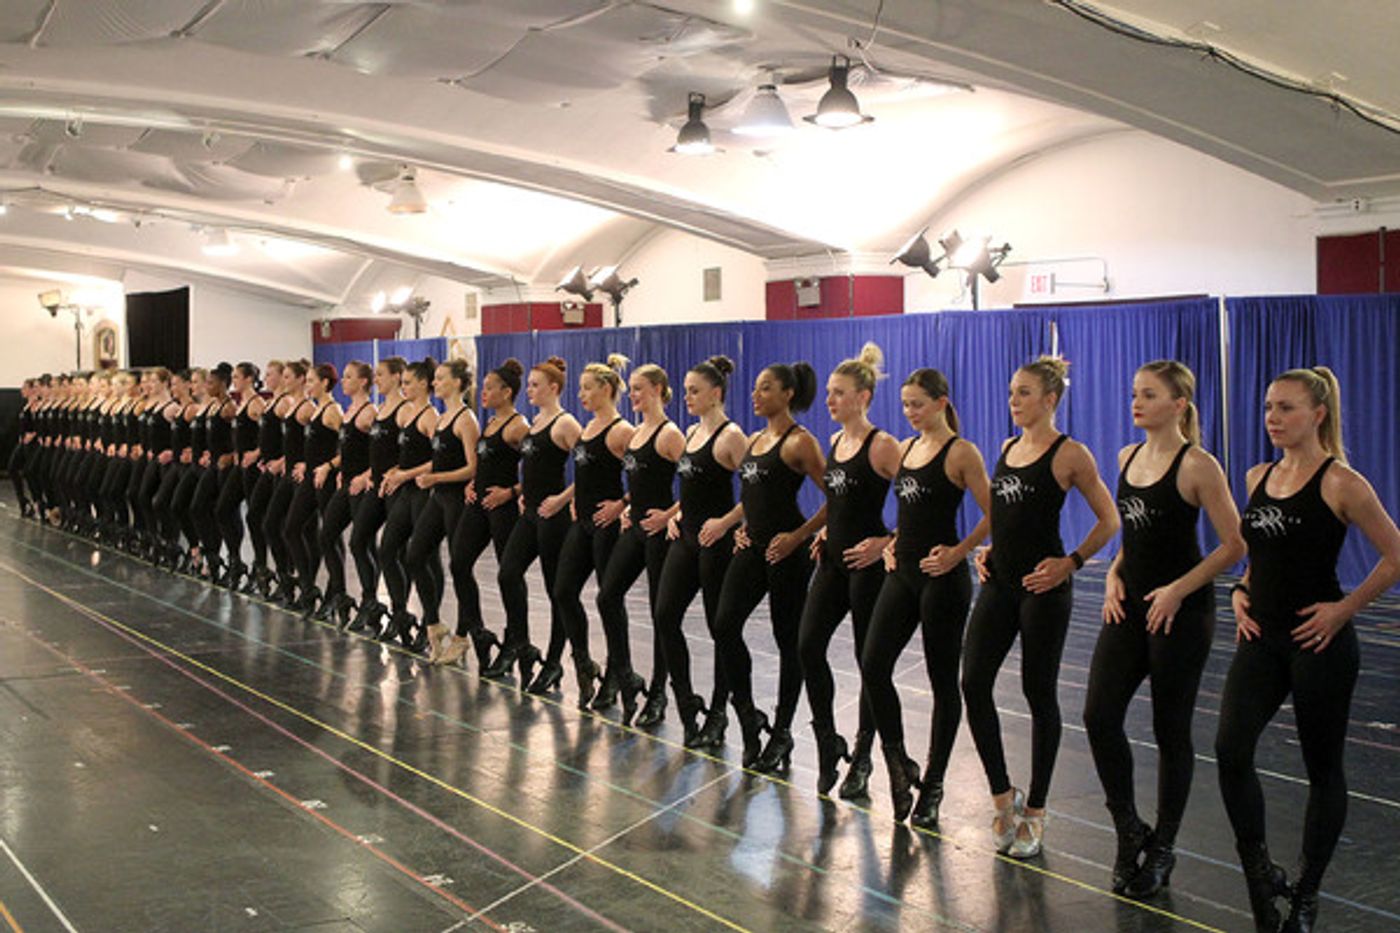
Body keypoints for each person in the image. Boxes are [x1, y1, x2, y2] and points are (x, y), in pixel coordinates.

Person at [1217, 367, 1400, 933]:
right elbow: (1260, 557)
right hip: (1261, 639)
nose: (1272, 417)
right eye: (1269, 407)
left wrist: (1344, 610)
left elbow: (1395, 555)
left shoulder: (1342, 483)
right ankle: (1259, 873)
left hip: (1318, 642)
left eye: (1286, 408)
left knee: (1323, 770)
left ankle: (1306, 893)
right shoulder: (1256, 476)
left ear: (1317, 415)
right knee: (1230, 750)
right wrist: (1241, 591)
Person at [1086, 361, 1244, 895]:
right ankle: (1129, 830)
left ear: (1178, 404)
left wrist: (1178, 589)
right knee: (1099, 715)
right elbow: (1135, 534)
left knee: (1169, 731)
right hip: (1129, 606)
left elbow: (1234, 545)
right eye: (1134, 393)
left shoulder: (1198, 465)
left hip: (1181, 612)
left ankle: (1164, 848)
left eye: (1148, 395)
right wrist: (1112, 572)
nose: (1136, 403)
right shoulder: (1127, 457)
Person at [961, 356, 1119, 858]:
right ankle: (1003, 795)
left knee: (1038, 691)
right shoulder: (1008, 448)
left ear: (1049, 400)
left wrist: (1070, 562)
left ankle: (1037, 810)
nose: (1014, 401)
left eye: (1024, 393)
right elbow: (1005, 516)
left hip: (1043, 589)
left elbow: (1109, 519)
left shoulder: (1070, 454)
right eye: (1012, 392)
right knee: (973, 682)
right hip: (1000, 582)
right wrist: (988, 551)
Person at [860, 368, 990, 824]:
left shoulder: (962, 452)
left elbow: (995, 514)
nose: (910, 412)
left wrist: (959, 552)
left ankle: (933, 782)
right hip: (903, 573)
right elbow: (909, 511)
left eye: (917, 403)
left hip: (942, 579)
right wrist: (893, 541)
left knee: (941, 681)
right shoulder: (908, 448)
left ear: (940, 402)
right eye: (905, 404)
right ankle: (898, 761)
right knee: (873, 664)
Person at [799, 344, 901, 797]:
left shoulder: (883, 446)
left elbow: (923, 499)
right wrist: (821, 529)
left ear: (862, 396)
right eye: (827, 393)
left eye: (838, 393)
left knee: (868, 664)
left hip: (867, 567)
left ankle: (863, 756)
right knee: (807, 646)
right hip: (833, 560)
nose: (829, 401)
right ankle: (827, 740)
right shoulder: (837, 441)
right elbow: (837, 500)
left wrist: (888, 542)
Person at [713, 361, 826, 770]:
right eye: (756, 389)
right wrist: (742, 527)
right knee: (724, 624)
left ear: (787, 394)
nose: (756, 395)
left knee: (787, 641)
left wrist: (798, 537)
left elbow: (837, 496)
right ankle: (746, 715)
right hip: (752, 546)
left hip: (787, 553)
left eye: (765, 389)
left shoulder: (800, 443)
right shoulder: (756, 438)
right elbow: (753, 496)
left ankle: (781, 732)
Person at [652, 356, 745, 747]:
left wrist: (726, 523)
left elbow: (757, 492)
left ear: (716, 394)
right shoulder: (690, 432)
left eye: (694, 391)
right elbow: (689, 489)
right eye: (686, 390)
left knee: (718, 628)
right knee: (664, 615)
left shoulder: (731, 436)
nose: (687, 397)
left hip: (715, 543)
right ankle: (687, 701)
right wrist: (676, 515)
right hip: (686, 537)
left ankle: (720, 711)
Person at [594, 363, 684, 723]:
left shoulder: (670, 433)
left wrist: (670, 515)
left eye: (639, 389)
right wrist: (627, 505)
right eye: (630, 389)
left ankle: (660, 692)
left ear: (658, 390)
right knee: (607, 595)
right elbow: (639, 483)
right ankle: (625, 673)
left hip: (659, 533)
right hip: (636, 529)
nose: (632, 395)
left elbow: (696, 481)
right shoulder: (635, 433)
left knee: (660, 614)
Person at [488, 357, 580, 685]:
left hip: (552, 517)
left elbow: (589, 470)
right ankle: (521, 644)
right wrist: (521, 490)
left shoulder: (566, 424)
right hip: (529, 515)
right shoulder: (535, 422)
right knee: (508, 573)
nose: (529, 390)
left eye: (535, 385)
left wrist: (563, 499)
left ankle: (554, 660)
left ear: (553, 388)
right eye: (528, 385)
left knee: (557, 591)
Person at [549, 355, 634, 706]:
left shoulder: (622, 431)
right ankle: (584, 661)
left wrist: (623, 504)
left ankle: (617, 672)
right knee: (563, 591)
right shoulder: (587, 428)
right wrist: (570, 498)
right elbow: (583, 476)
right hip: (581, 522)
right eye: (580, 388)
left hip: (606, 525)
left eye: (587, 388)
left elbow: (647, 473)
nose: (581, 394)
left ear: (607, 389)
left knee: (609, 601)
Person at [440, 358, 527, 668]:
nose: (484, 392)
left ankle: (517, 639)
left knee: (509, 577)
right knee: (459, 563)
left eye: (490, 388)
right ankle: (478, 631)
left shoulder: (519, 426)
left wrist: (512, 492)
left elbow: (539, 471)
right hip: (477, 506)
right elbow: (484, 462)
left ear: (507, 391)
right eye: (484, 387)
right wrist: (473, 483)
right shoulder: (488, 423)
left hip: (502, 508)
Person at [406, 359, 479, 660]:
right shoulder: (442, 419)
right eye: (434, 379)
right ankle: (433, 623)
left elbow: (474, 467)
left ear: (457, 383)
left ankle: (463, 635)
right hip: (437, 497)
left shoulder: (466, 420)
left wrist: (437, 477)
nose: (435, 383)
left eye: (440, 379)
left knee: (460, 567)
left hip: (457, 501)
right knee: (414, 556)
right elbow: (439, 459)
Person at [376, 358, 439, 651]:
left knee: (426, 558)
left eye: (409, 383)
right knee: (387, 549)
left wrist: (406, 474)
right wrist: (395, 472)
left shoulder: (430, 416)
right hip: (406, 491)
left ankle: (431, 622)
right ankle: (400, 612)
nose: (405, 387)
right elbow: (407, 454)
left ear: (424, 384)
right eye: (403, 383)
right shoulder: (408, 415)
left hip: (424, 493)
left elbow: (436, 460)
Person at [347, 357, 407, 635]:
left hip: (396, 488)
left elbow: (411, 451)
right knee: (358, 540)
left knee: (394, 553)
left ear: (396, 377)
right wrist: (370, 473)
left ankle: (399, 611)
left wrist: (397, 472)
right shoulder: (382, 409)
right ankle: (370, 599)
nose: (377, 380)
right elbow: (378, 452)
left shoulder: (405, 410)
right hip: (376, 485)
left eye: (381, 374)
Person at [315, 361, 375, 628]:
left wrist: (366, 477)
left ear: (363, 382)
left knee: (361, 545)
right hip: (345, 482)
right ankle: (338, 594)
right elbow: (346, 450)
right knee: (326, 535)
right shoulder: (349, 411)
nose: (344, 381)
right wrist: (335, 467)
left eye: (349, 377)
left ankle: (369, 601)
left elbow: (382, 453)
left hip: (362, 486)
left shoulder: (369, 413)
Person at [286, 363, 341, 615]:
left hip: (325, 479)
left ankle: (334, 593)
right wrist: (306, 463)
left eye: (311, 381)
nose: (307, 385)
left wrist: (329, 467)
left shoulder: (333, 411)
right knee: (291, 528)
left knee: (330, 537)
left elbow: (348, 448)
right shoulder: (316, 411)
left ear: (325, 383)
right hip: (310, 476)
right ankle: (308, 587)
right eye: (305, 380)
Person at [217, 362, 265, 592]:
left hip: (253, 468)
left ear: (248, 379)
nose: (233, 380)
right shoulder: (241, 403)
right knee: (223, 508)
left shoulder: (256, 404)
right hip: (239, 466)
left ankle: (260, 566)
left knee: (255, 518)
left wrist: (257, 453)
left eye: (236, 376)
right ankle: (235, 560)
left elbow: (270, 434)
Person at [242, 360, 286, 596]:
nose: (267, 378)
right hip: (265, 469)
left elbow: (295, 441)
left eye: (272, 374)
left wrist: (281, 460)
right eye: (267, 374)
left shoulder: (283, 405)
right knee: (255, 516)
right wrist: (261, 454)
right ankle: (261, 566)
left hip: (279, 471)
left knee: (275, 523)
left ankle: (283, 573)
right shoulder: (271, 403)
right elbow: (266, 436)